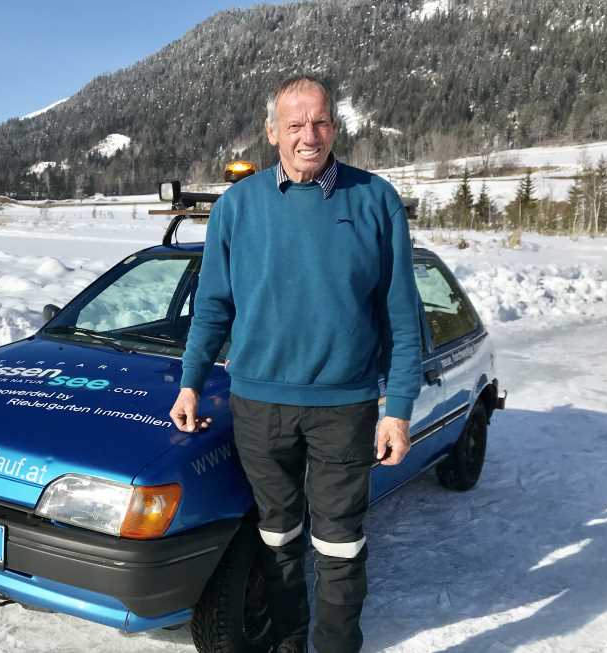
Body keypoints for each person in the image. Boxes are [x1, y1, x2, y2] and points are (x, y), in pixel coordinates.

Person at [170, 75, 422, 653]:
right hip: (257, 406)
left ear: (335, 124)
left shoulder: (374, 199)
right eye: (294, 124)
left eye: (321, 121)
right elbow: (212, 305)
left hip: (344, 406)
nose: (309, 135)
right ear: (271, 132)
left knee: (338, 546)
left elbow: (402, 318)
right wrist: (191, 381)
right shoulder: (237, 205)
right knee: (277, 538)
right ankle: (287, 643)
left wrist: (398, 408)